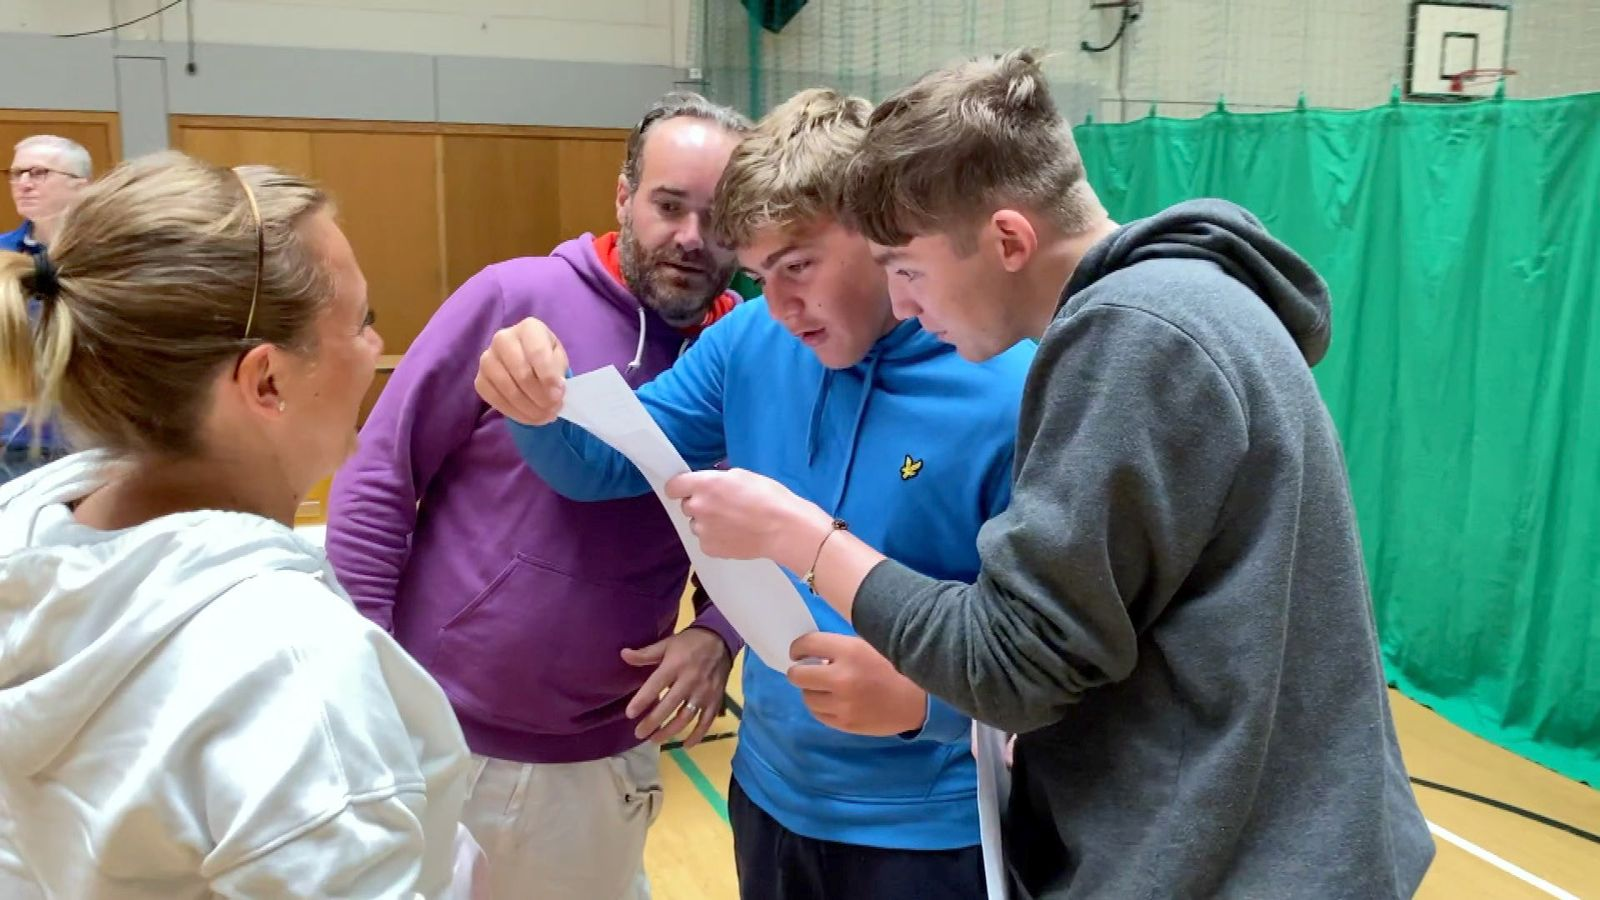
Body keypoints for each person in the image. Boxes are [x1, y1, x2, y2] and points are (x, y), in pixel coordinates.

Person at [663, 50, 1437, 898]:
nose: (909, 308)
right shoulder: (1182, 305)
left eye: (909, 272)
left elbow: (1011, 664)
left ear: (1007, 240)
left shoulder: (1137, 337)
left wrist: (801, 538)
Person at [475, 88, 1034, 900]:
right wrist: (532, 397)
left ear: (879, 231)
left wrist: (929, 704)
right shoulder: (749, 340)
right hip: (770, 794)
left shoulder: (1005, 382)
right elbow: (605, 464)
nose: (779, 305)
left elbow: (1054, 656)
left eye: (798, 265)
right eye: (760, 273)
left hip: (932, 826)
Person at [0, 151, 477, 897]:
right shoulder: (294, 677)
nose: (373, 349)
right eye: (362, 321)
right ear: (267, 382)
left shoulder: (27, 538)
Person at [324, 91, 750, 900]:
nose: (693, 239)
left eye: (720, 215)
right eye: (668, 206)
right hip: (432, 735)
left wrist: (719, 635)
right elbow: (381, 481)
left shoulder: (751, 353)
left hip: (598, 760)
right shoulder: (513, 299)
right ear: (623, 197)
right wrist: (366, 676)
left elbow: (764, 525)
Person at [2, 135, 91, 482]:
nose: (23, 183)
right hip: (12, 441)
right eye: (16, 173)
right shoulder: (0, 254)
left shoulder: (110, 255)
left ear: (80, 185)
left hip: (93, 438)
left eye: (38, 173)